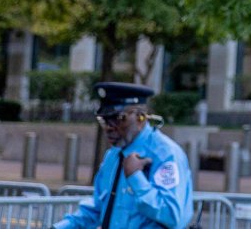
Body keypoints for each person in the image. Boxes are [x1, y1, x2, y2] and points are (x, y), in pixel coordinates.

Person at [54, 83, 194, 229]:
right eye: (104, 120)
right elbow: (97, 208)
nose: (109, 127)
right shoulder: (113, 155)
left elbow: (172, 216)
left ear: (140, 118)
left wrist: (136, 178)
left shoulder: (165, 154)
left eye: (118, 118)